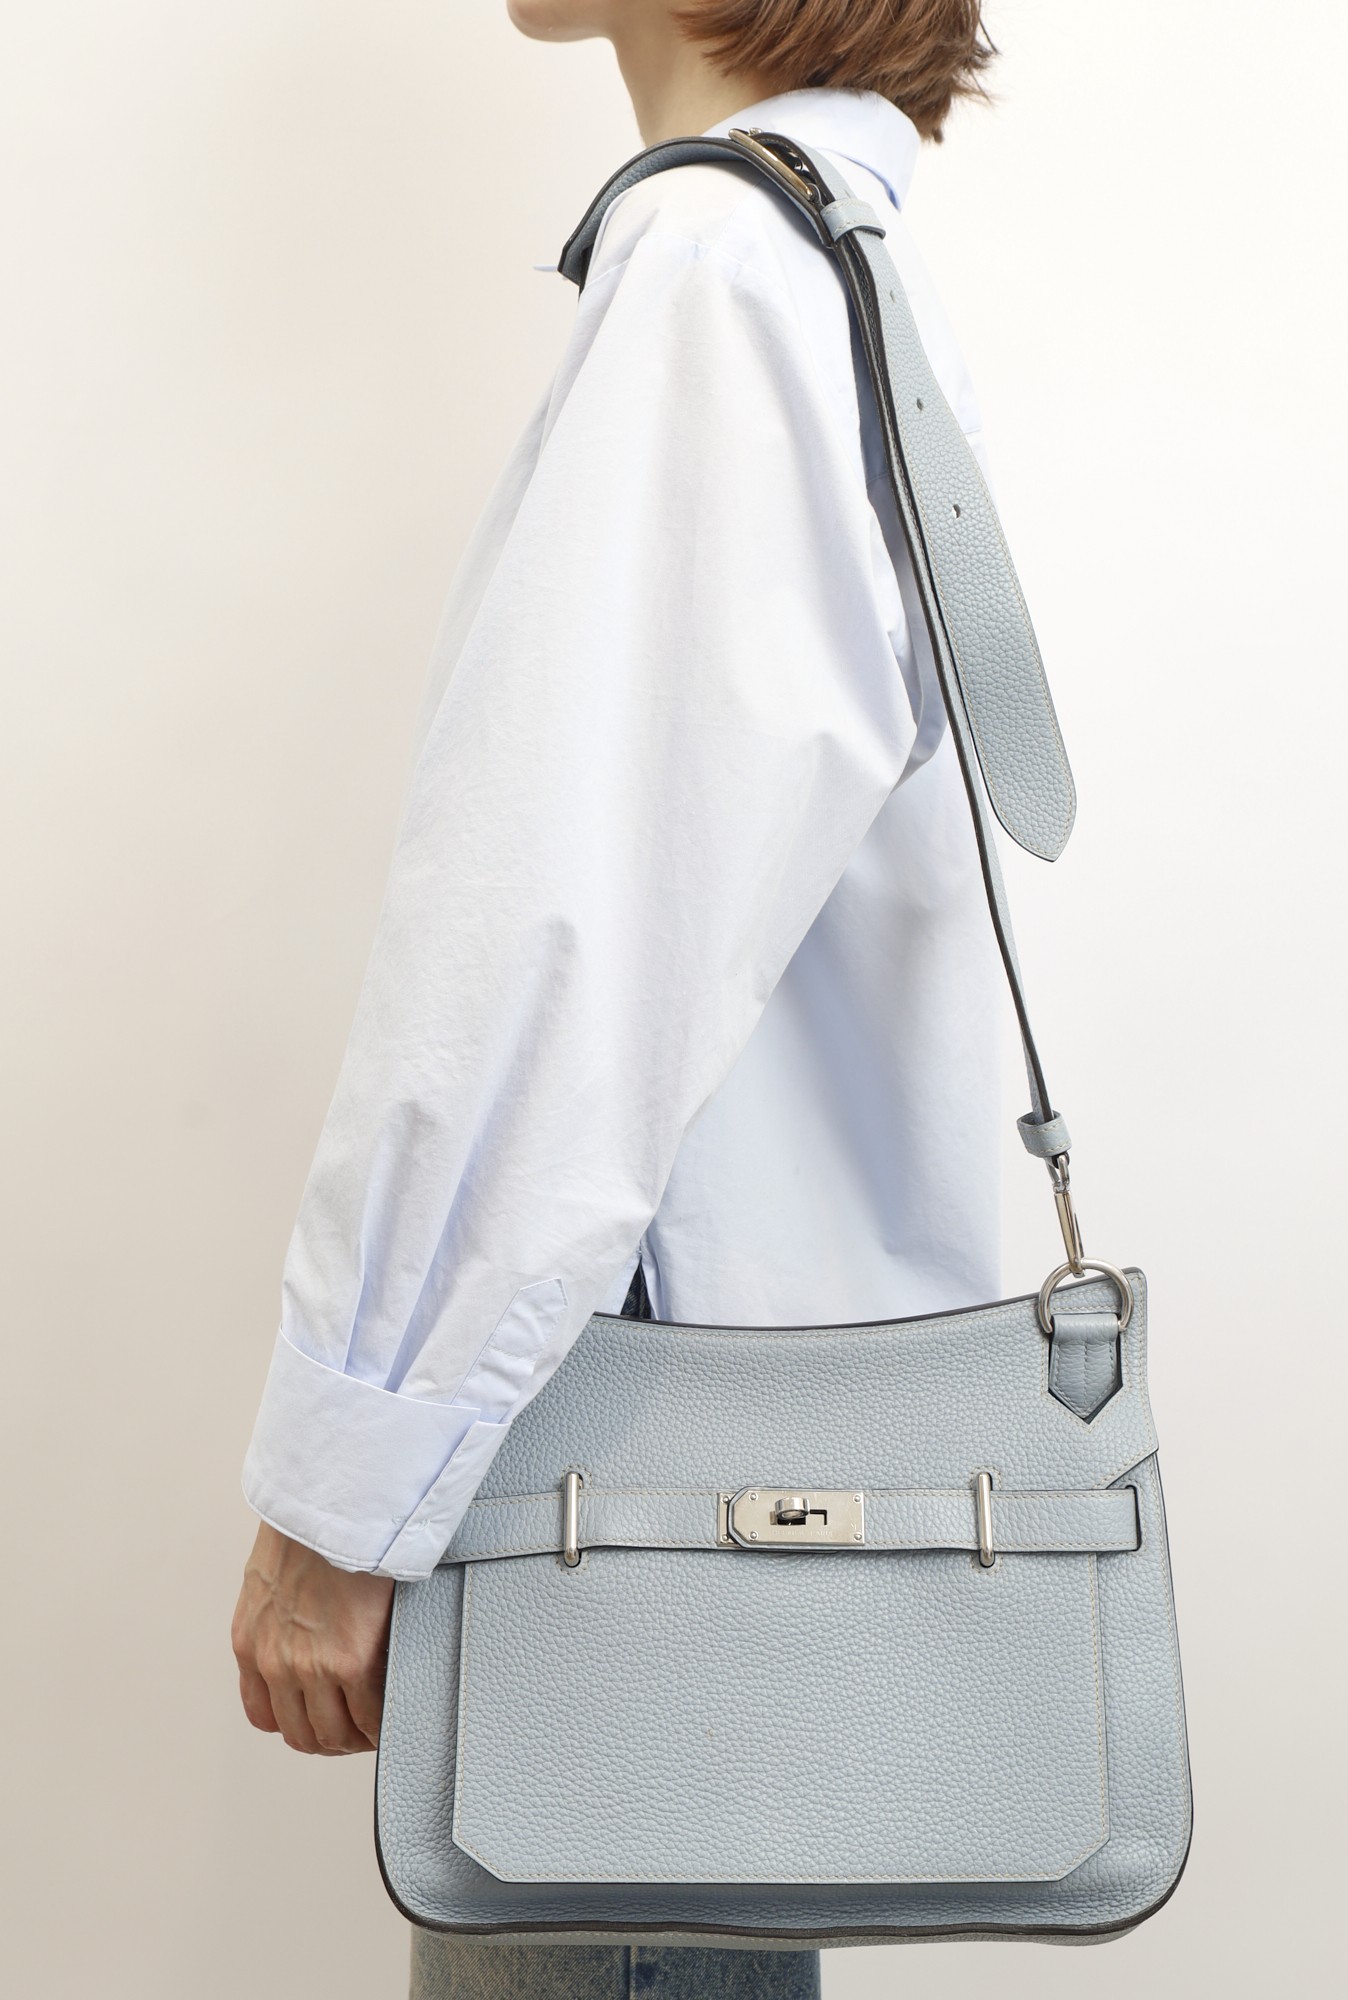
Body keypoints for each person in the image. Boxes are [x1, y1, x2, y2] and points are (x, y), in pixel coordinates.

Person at [231, 2, 1013, 1994]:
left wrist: (350, 1471)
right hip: (711, 1491)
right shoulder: (819, 249)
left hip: (613, 1499)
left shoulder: (717, 269)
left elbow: (561, 940)